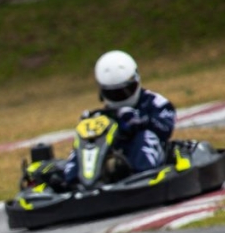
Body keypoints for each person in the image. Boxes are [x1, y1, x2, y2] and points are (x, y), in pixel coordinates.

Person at [60, 50, 177, 185]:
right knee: (83, 143)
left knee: (146, 136)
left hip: (144, 155)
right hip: (113, 157)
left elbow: (165, 129)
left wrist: (139, 121)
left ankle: (143, 175)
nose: (120, 97)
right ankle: (73, 181)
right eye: (113, 93)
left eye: (125, 91)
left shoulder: (155, 102)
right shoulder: (106, 113)